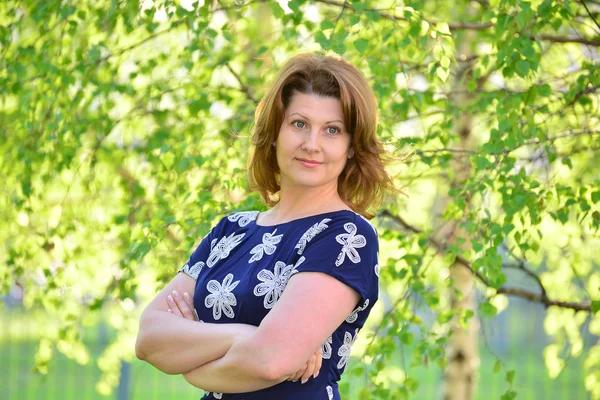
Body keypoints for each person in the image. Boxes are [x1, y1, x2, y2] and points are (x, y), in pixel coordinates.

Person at [135, 52, 395, 399]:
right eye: (299, 124)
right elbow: (149, 338)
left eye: (332, 130)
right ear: (275, 132)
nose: (311, 144)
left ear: (351, 148)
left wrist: (189, 358)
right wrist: (243, 337)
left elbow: (271, 360)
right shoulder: (231, 230)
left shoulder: (346, 237)